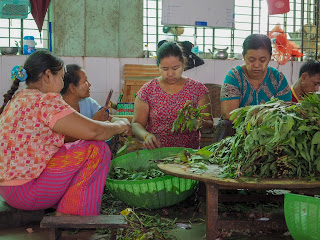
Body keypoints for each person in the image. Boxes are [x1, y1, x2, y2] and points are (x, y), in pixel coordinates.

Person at [0, 50, 131, 216]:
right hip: (27, 192)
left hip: (7, 192)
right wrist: (120, 125)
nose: (62, 84)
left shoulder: (18, 99)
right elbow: (95, 132)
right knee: (97, 149)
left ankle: (65, 205)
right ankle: (73, 213)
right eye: (61, 77)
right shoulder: (45, 99)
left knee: (71, 147)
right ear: (47, 76)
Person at [132, 41, 213, 150]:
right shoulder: (148, 90)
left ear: (183, 63)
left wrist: (199, 123)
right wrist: (146, 136)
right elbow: (136, 124)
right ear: (158, 66)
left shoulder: (198, 89)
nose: (170, 74)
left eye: (175, 68)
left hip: (188, 156)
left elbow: (209, 123)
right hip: (156, 152)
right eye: (164, 69)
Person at [213, 33, 292, 143]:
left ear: (270, 57)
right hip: (236, 132)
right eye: (251, 60)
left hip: (270, 132)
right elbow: (229, 114)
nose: (256, 65)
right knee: (224, 125)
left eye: (262, 60)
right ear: (244, 56)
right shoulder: (234, 76)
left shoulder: (278, 79)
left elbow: (286, 112)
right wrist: (257, 123)